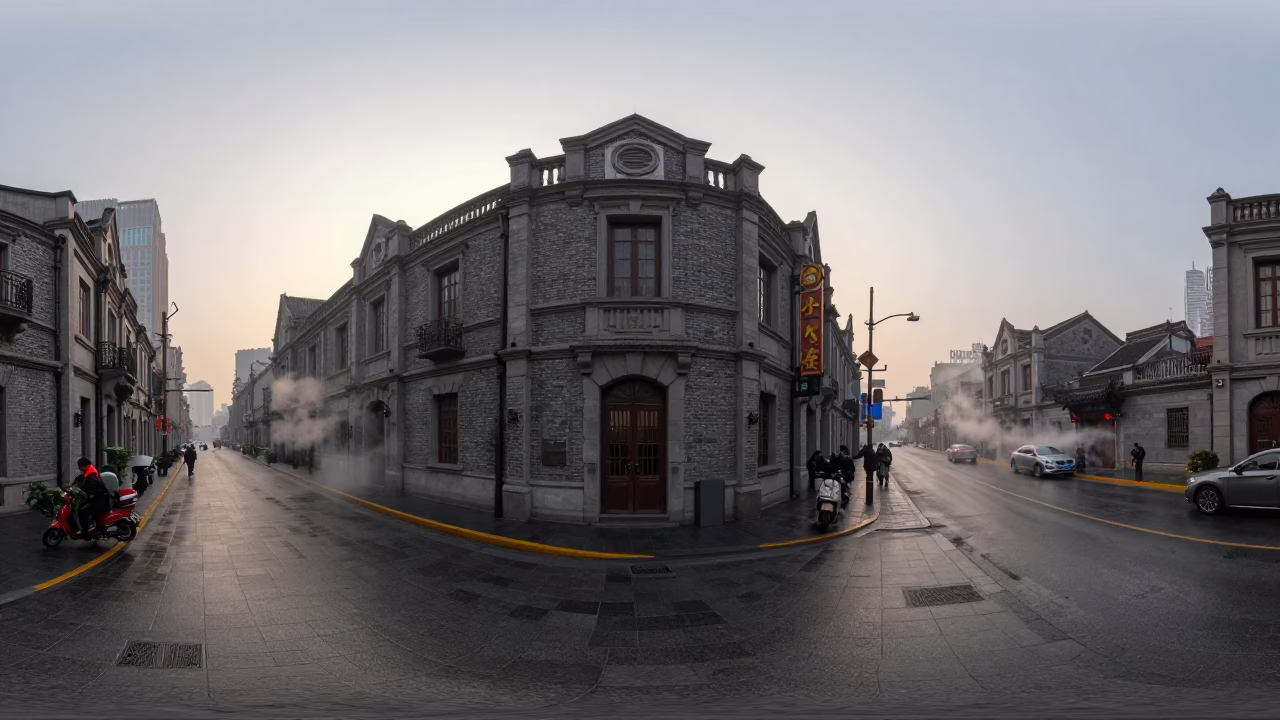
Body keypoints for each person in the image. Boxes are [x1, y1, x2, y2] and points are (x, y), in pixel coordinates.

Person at [72, 457, 110, 537]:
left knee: (82, 511)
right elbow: (81, 477)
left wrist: (80, 493)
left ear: (84, 466)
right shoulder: (90, 472)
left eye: (80, 466)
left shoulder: (91, 477)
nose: (79, 468)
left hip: (100, 501)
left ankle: (85, 532)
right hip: (98, 498)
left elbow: (89, 490)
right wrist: (73, 483)